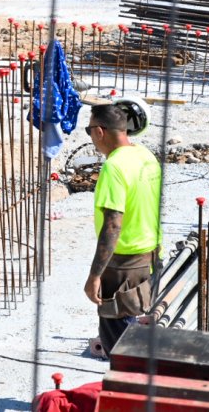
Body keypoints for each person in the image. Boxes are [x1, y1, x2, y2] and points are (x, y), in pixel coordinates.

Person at [82, 103, 161, 355]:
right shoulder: (146, 156)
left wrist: (95, 275)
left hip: (122, 264)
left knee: (119, 346)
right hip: (149, 255)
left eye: (89, 130)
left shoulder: (114, 166)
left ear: (100, 131)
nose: (91, 136)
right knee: (132, 334)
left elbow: (113, 224)